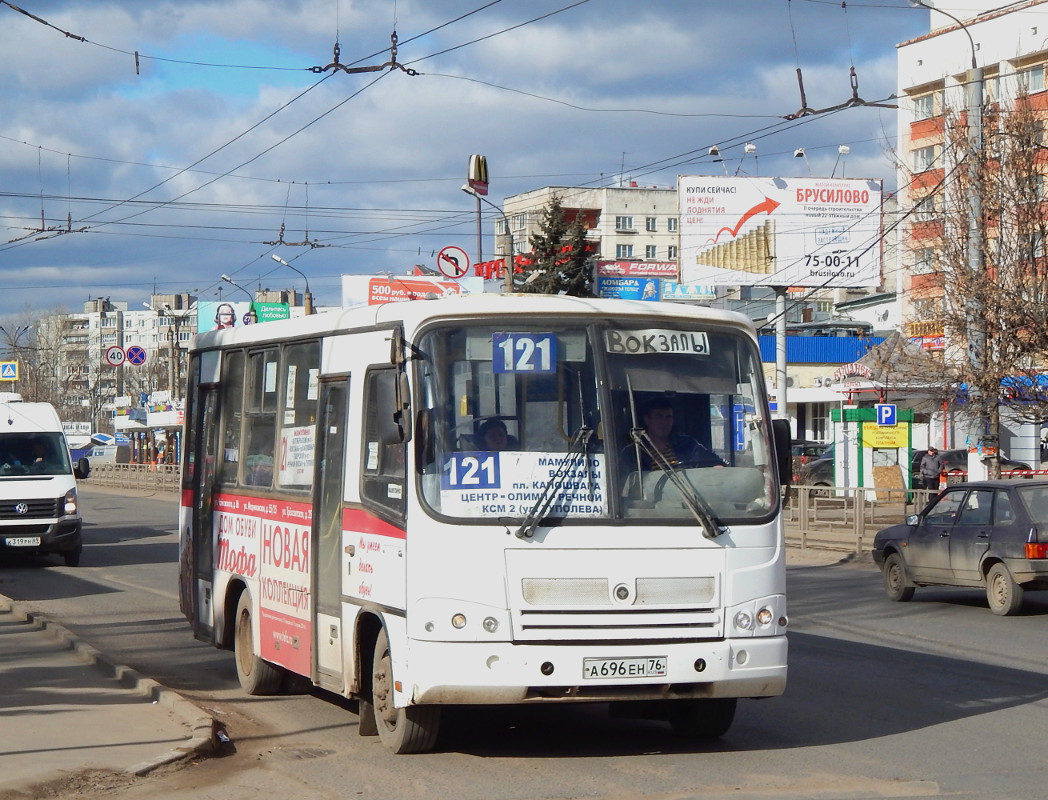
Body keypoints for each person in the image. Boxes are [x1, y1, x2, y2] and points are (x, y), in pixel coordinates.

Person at [627, 398, 726, 470]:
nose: (664, 422)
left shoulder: (687, 445)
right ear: (647, 420)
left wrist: (717, 466)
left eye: (668, 417)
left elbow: (713, 461)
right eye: (659, 417)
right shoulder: (635, 451)